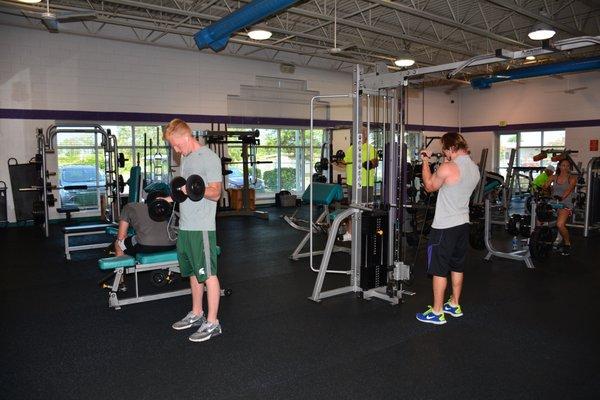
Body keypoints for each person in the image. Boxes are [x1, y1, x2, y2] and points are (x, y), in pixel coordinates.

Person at [163, 119, 223, 342]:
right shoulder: (186, 159)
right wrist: (168, 199)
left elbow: (216, 193)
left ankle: (213, 322)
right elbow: (184, 191)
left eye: (177, 145)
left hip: (202, 227)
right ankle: (197, 313)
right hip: (186, 225)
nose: (176, 150)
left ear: (186, 137)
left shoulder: (209, 158)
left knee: (208, 274)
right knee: (193, 273)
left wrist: (193, 188)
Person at [415, 132, 480, 325]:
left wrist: (425, 161)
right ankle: (454, 303)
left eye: (445, 149)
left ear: (451, 148)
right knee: (457, 267)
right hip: (462, 224)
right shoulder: (474, 168)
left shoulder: (448, 167)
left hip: (444, 226)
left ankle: (437, 312)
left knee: (439, 269)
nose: (444, 153)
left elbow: (428, 186)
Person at [341, 127, 379, 241]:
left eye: (362, 133)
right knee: (352, 208)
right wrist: (336, 160)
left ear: (366, 135)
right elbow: (345, 162)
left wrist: (371, 163)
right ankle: (350, 233)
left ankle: (367, 234)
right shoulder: (351, 148)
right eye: (358, 133)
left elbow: (376, 161)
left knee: (366, 209)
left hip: (365, 184)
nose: (360, 135)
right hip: (352, 183)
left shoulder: (370, 148)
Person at [113, 190, 177, 257]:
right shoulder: (171, 210)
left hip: (144, 245)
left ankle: (120, 266)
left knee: (118, 244)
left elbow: (121, 236)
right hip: (171, 245)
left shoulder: (130, 206)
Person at [543, 158, 577, 256]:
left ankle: (567, 243)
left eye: (567, 166)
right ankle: (540, 238)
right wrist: (545, 186)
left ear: (569, 167)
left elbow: (568, 190)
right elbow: (545, 186)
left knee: (560, 224)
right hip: (553, 201)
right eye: (563, 165)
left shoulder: (572, 178)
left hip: (565, 203)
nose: (565, 167)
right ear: (559, 166)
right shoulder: (554, 177)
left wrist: (561, 198)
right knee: (540, 220)